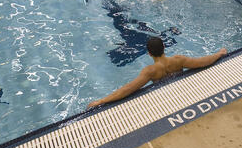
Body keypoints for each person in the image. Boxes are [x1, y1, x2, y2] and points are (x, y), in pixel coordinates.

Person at [87, 36, 227, 109]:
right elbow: (202, 62)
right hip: (183, 93)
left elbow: (128, 89)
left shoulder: (151, 71)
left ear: (149, 53)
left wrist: (102, 100)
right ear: (164, 47)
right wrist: (219, 54)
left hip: (165, 99)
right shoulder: (179, 60)